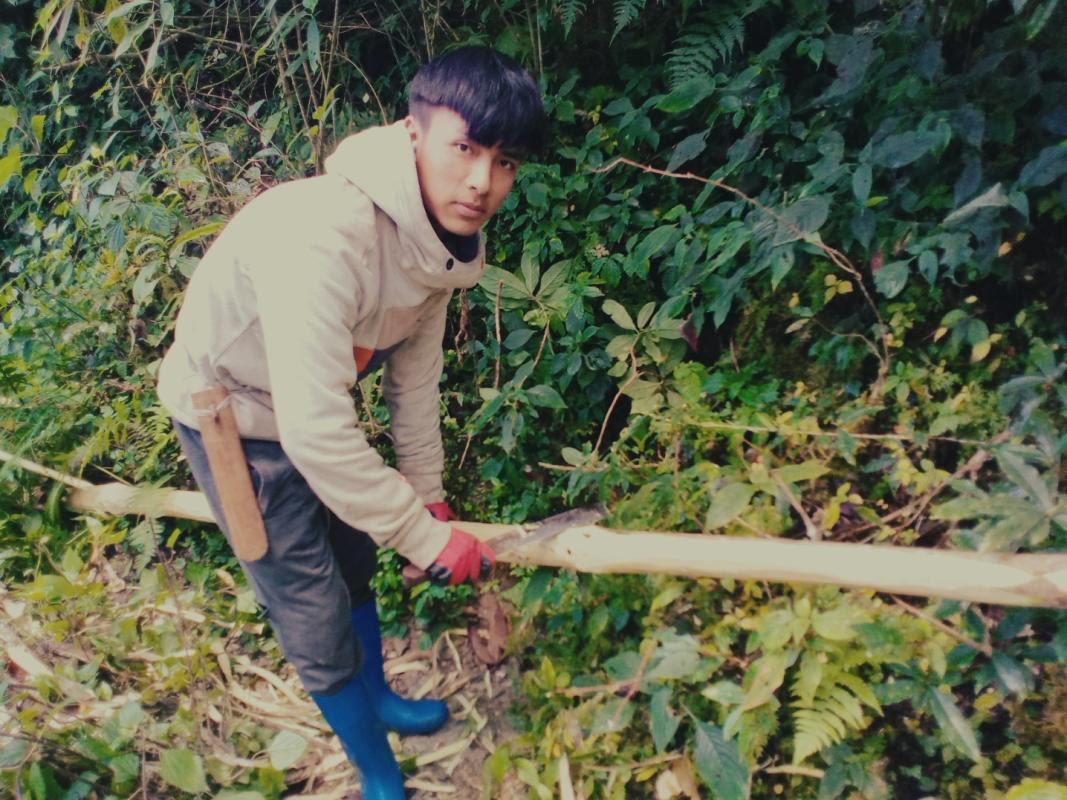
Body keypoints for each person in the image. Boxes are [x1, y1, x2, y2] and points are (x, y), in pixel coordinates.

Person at [156, 46, 545, 798]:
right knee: (309, 603)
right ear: (412, 133)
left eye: (504, 161)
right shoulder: (325, 232)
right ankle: (376, 774)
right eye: (463, 148)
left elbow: (413, 381)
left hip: (310, 405)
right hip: (232, 418)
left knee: (355, 562)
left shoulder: (442, 248)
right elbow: (315, 435)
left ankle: (380, 701)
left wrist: (425, 493)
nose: (480, 181)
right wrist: (427, 540)